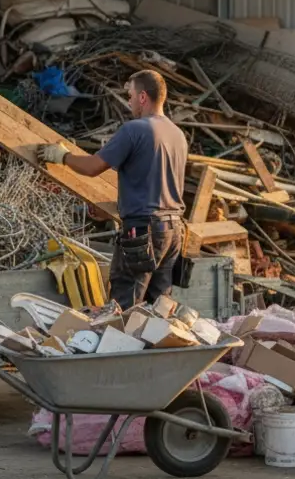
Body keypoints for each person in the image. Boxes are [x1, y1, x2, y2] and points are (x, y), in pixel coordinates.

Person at [39, 70, 188, 310]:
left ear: (142, 97)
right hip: (174, 231)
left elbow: (93, 167)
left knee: (124, 306)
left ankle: (121, 346)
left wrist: (63, 156)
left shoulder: (135, 129)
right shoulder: (178, 135)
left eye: (129, 95)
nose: (128, 101)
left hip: (143, 231)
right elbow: (153, 181)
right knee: (159, 308)